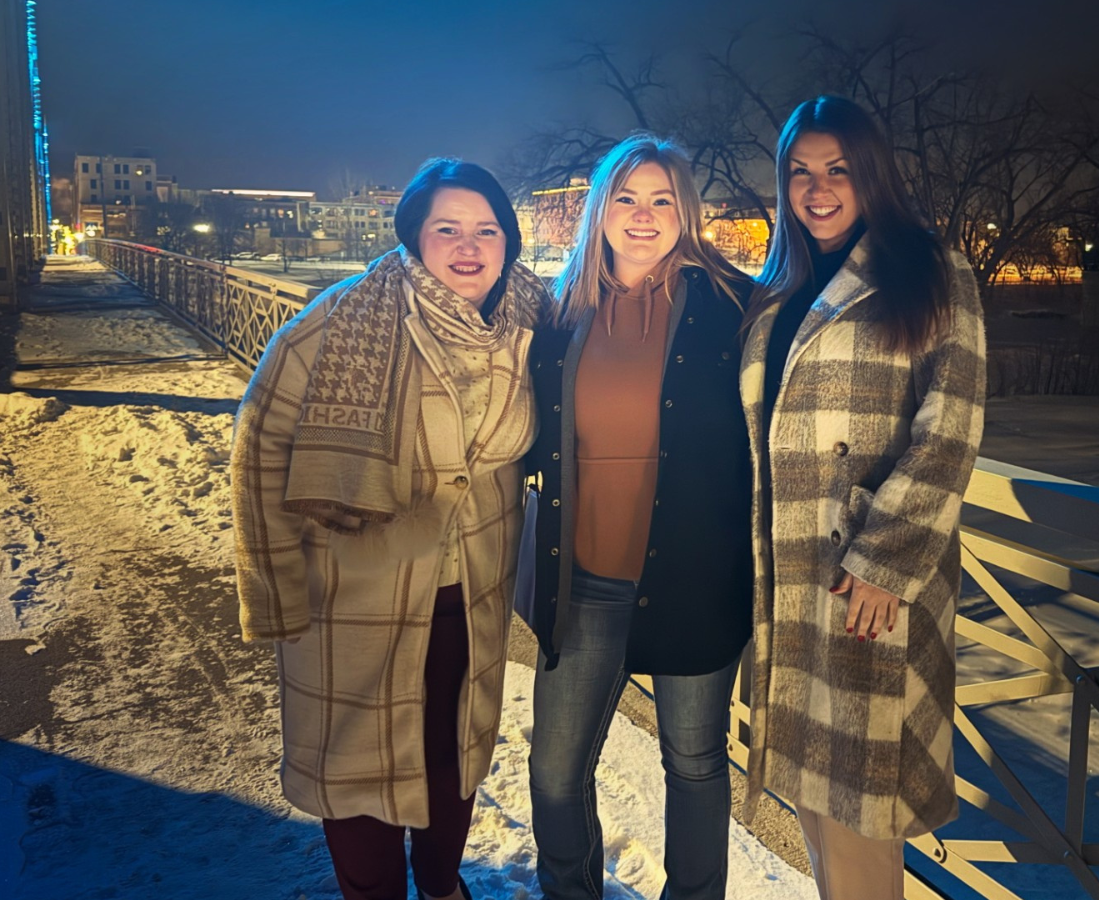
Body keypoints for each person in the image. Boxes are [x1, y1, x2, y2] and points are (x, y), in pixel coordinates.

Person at [232, 158, 547, 900]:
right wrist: (274, 590)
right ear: (413, 235)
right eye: (447, 228)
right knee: (359, 770)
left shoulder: (531, 321)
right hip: (355, 596)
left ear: (509, 242)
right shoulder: (342, 320)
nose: (468, 246)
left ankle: (442, 886)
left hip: (472, 590)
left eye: (486, 229)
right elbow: (261, 451)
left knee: (454, 756)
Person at [737, 95, 987, 900]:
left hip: (861, 580)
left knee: (860, 806)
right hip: (786, 575)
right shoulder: (779, 284)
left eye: (837, 169)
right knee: (816, 796)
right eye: (800, 172)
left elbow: (951, 431)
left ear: (871, 173)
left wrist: (884, 559)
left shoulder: (932, 270)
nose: (817, 188)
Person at [518, 133, 755, 900]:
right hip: (580, 585)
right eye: (626, 198)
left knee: (694, 763)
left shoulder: (734, 307)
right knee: (554, 773)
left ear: (686, 212)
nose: (644, 216)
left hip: (693, 578)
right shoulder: (558, 310)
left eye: (662, 200)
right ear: (600, 209)